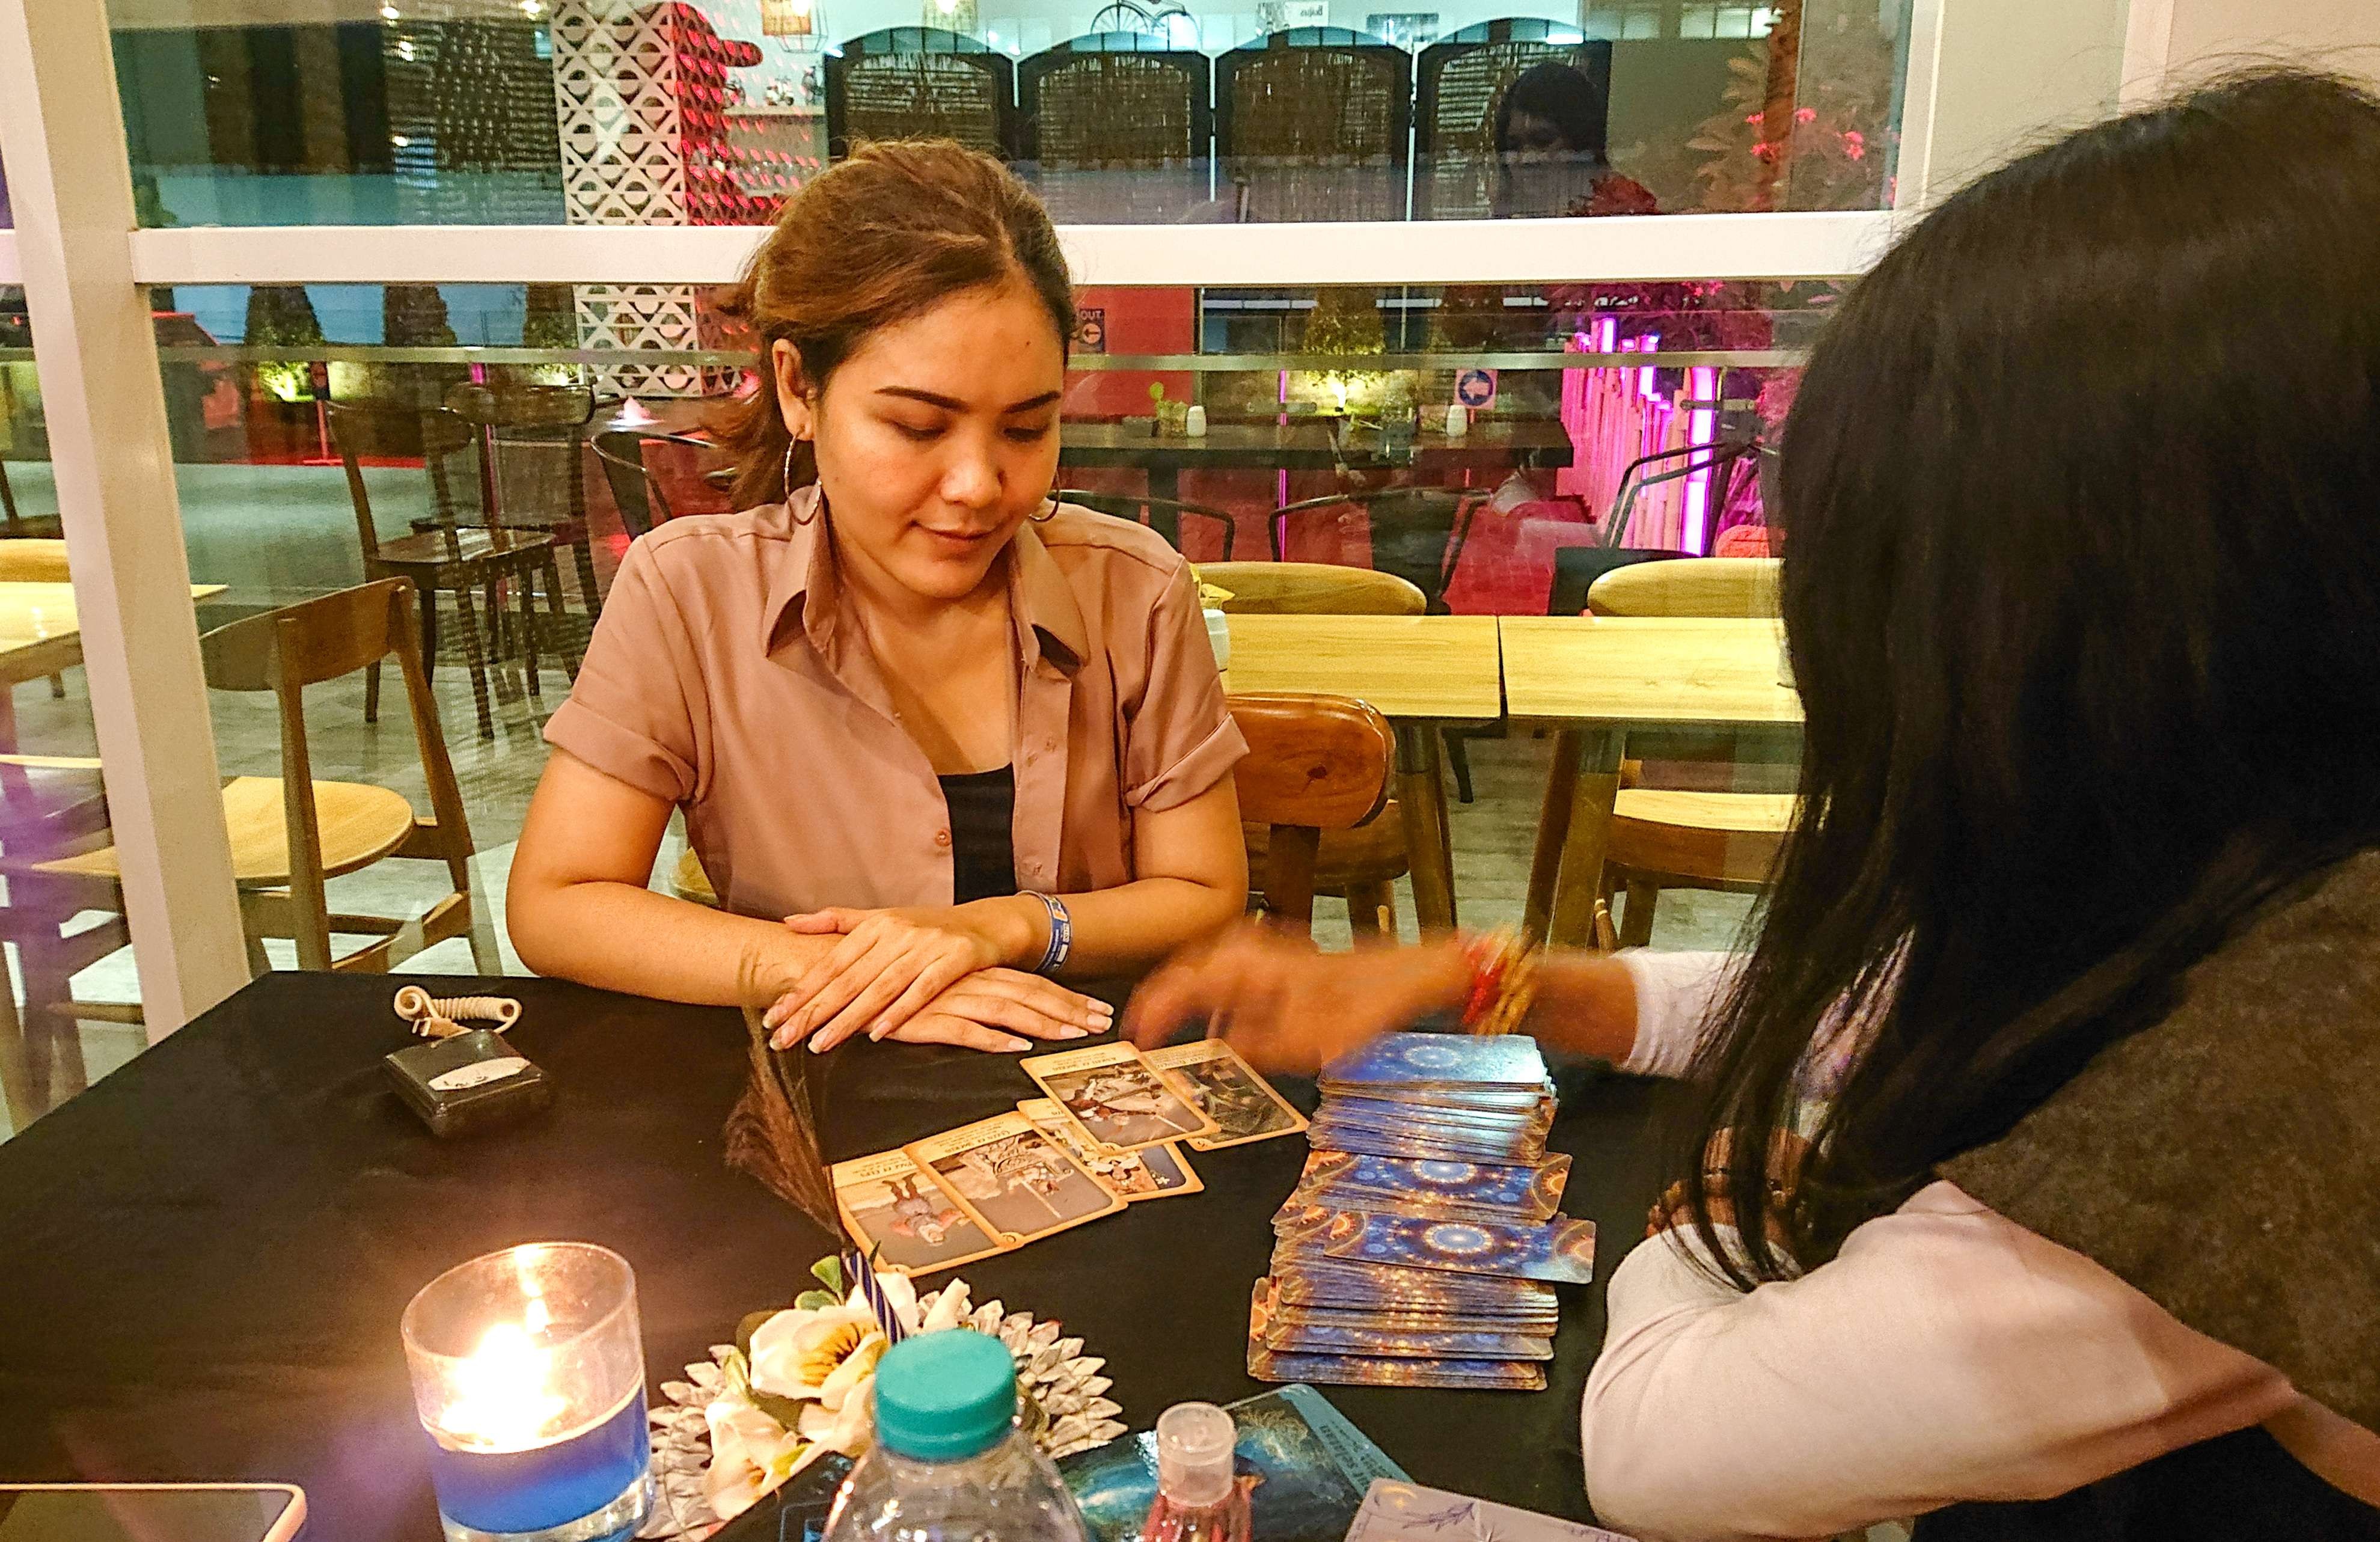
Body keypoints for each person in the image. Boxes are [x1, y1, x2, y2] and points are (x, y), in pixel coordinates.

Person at [1128, 70, 2380, 1536]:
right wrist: (1489, 977)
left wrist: (1722, 1203)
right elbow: (1857, 1002)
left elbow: (1670, 1446)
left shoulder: (2273, 1103)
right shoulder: (2273, 894)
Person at [509, 141, 1249, 1055]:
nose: (979, 484)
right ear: (798, 388)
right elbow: (558, 903)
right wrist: (858, 977)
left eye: (1027, 427)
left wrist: (1006, 927)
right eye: (917, 426)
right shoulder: (689, 591)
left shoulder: (1133, 589)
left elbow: (1204, 893)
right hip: (817, 1086)